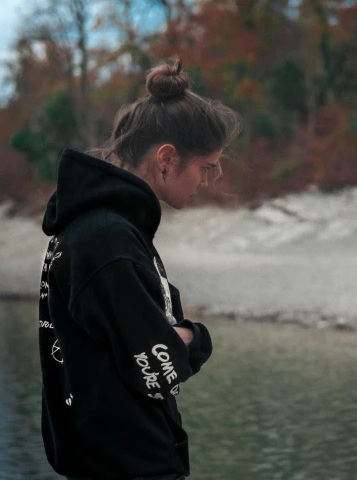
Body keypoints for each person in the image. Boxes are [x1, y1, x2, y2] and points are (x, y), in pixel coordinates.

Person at [37, 58, 242, 480]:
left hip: (106, 457)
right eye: (206, 167)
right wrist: (198, 337)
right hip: (127, 465)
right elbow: (156, 363)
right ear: (167, 157)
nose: (207, 181)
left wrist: (166, 333)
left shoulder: (97, 226)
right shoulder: (108, 239)